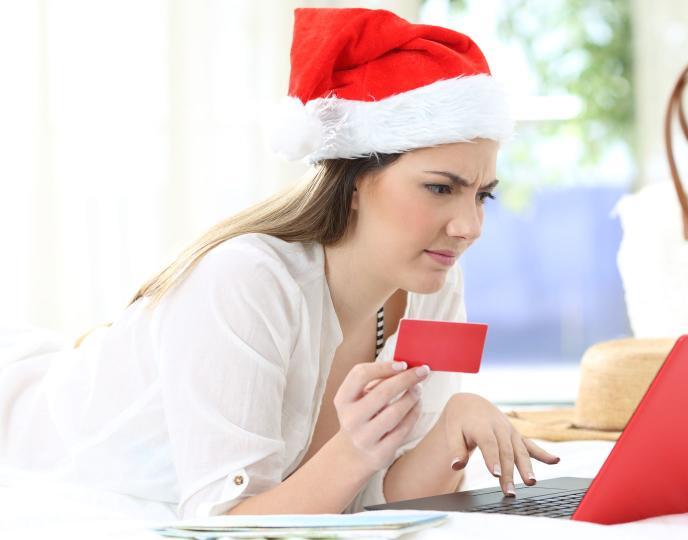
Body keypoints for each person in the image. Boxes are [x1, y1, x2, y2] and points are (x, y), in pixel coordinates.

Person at [0, 7, 560, 519]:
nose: (470, 226)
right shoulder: (244, 281)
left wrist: (452, 428)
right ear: (356, 180)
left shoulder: (436, 281)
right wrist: (353, 449)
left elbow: (378, 493)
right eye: (441, 188)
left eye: (482, 194)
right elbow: (225, 524)